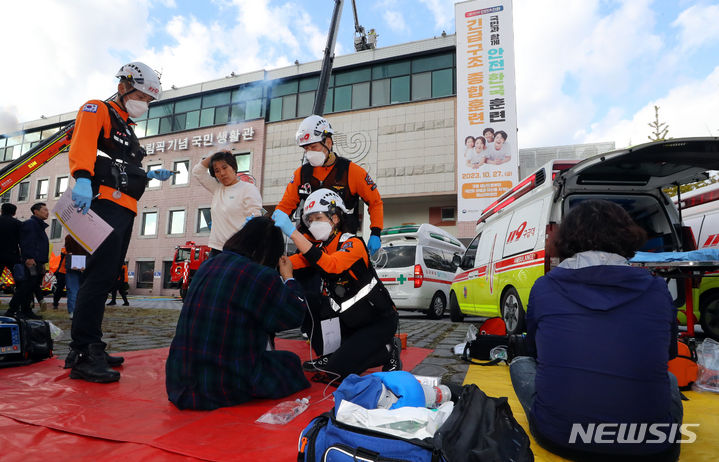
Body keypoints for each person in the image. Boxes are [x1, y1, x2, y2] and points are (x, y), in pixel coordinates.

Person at [509, 200, 682, 461]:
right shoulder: (657, 290)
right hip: (652, 447)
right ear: (628, 237)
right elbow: (669, 355)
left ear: (566, 239)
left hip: (561, 438)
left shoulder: (544, 287)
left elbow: (534, 352)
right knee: (669, 380)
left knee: (521, 364)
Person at [65, 61, 173, 383]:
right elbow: (83, 142)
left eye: (149, 99)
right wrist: (82, 177)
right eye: (141, 94)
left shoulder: (127, 128)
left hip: (124, 208)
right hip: (104, 204)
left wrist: (148, 174)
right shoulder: (98, 109)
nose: (145, 103)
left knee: (105, 279)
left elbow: (122, 165)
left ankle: (89, 345)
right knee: (97, 280)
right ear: (124, 86)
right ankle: (84, 353)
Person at [165, 217, 309, 410]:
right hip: (223, 383)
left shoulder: (208, 265)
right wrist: (289, 278)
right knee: (290, 362)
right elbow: (293, 314)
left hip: (179, 379)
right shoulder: (258, 274)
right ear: (269, 252)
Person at [274, 189, 401, 385]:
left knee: (337, 372)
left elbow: (331, 265)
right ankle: (330, 353)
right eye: (310, 220)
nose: (314, 223)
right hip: (351, 321)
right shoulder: (321, 249)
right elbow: (289, 262)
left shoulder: (353, 244)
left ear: (334, 218)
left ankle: (388, 349)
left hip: (378, 322)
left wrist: (292, 233)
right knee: (309, 300)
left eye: (319, 217)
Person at [273, 114, 384, 252]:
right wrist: (266, 224)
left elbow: (375, 202)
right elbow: (285, 206)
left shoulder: (351, 171)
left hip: (341, 244)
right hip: (308, 244)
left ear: (328, 143)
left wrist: (375, 232)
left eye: (313, 147)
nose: (309, 152)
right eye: (306, 149)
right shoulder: (300, 174)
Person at [192, 150, 262, 256]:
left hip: (238, 250)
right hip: (216, 249)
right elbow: (197, 171)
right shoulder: (217, 188)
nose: (222, 173)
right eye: (217, 170)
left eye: (225, 167)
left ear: (233, 167)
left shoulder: (248, 189)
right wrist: (215, 155)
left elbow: (256, 220)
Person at [7, 203, 50, 320]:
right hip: (32, 260)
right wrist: (29, 258)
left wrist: (43, 263)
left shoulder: (38, 225)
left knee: (31, 286)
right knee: (27, 286)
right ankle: (12, 309)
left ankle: (26, 311)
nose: (47, 212)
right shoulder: (31, 224)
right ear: (36, 211)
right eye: (44, 210)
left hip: (38, 261)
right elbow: (27, 242)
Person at [0, 203, 22, 316]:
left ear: (2, 211)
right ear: (14, 212)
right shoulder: (17, 224)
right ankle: (16, 307)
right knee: (20, 282)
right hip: (13, 256)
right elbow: (22, 241)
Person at [64, 234, 89, 320]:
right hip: (85, 265)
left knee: (73, 290)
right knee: (85, 290)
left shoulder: (69, 237)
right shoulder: (89, 237)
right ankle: (83, 311)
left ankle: (72, 311)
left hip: (72, 265)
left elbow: (67, 251)